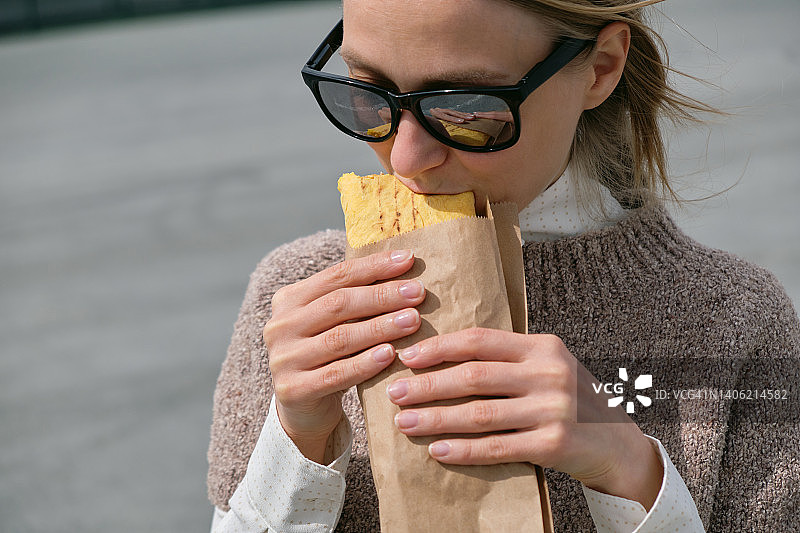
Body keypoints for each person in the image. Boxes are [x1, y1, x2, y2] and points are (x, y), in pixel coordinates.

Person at [206, 0, 800, 531]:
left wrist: (633, 477)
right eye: (366, 91)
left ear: (601, 67)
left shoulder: (736, 320)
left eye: (465, 106)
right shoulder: (292, 301)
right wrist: (296, 450)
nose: (407, 158)